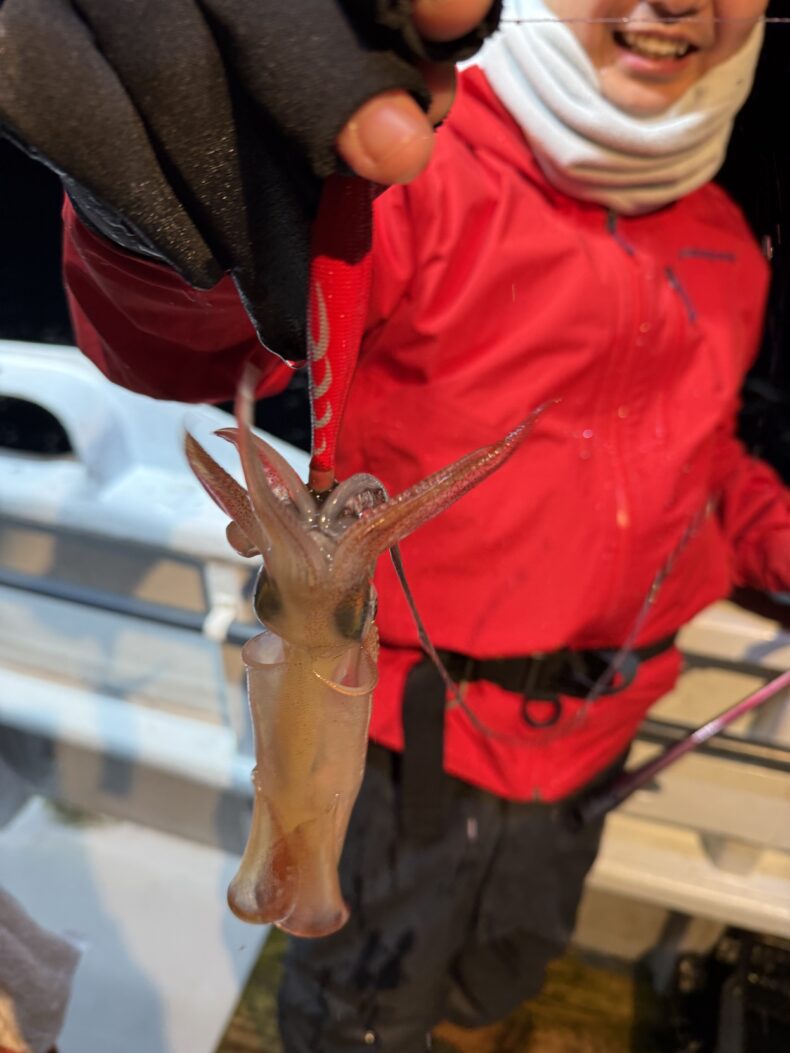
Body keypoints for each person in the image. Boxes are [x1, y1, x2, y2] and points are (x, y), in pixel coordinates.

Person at [2, 1, 789, 1050]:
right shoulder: (411, 167)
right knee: (360, 1014)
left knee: (500, 977)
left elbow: (705, 458)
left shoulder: (725, 238)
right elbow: (194, 344)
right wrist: (156, 226)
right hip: (410, 742)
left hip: (594, 737)